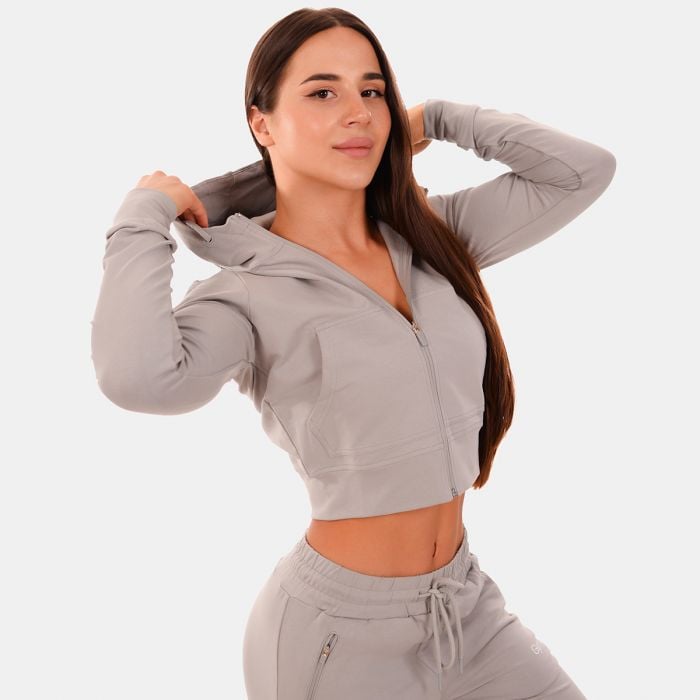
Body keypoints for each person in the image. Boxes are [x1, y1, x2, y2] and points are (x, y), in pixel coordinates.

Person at [91, 7, 616, 699]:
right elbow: (139, 379)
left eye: (372, 91)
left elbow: (583, 172)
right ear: (262, 124)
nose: (358, 112)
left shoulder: (435, 237)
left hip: (465, 607)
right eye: (322, 92)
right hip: (337, 638)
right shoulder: (248, 293)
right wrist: (142, 218)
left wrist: (436, 117)